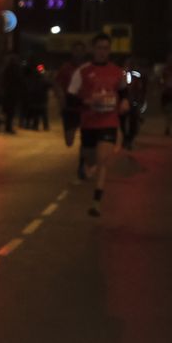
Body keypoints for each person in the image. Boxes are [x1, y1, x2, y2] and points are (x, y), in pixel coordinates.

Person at [68, 32, 129, 216]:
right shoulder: (83, 71)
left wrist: (125, 102)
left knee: (103, 161)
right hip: (89, 122)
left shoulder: (118, 72)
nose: (102, 52)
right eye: (99, 48)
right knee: (91, 161)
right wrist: (85, 102)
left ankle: (96, 202)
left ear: (109, 50)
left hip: (109, 121)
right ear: (93, 50)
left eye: (106, 48)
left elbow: (124, 92)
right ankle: (86, 164)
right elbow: (71, 98)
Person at [55, 40, 89, 151]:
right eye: (76, 51)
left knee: (87, 139)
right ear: (72, 52)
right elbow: (57, 84)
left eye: (81, 51)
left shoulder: (88, 68)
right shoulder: (65, 68)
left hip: (84, 107)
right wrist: (61, 100)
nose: (78, 53)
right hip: (69, 108)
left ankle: (82, 161)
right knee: (69, 141)